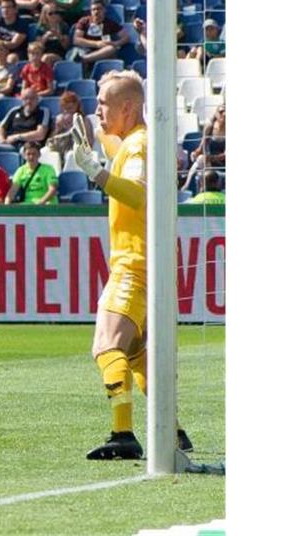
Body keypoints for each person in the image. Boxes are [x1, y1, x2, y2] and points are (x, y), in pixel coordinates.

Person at [67, 71, 193, 460]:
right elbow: (112, 142)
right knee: (137, 353)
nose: (97, 110)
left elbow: (137, 195)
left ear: (128, 108)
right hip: (148, 263)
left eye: (103, 104)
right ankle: (172, 432)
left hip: (133, 264)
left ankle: (123, 434)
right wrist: (93, 135)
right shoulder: (136, 141)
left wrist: (94, 171)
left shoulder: (139, 147)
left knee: (107, 346)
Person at [5, 141, 59, 205]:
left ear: (39, 155)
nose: (31, 157)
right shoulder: (21, 170)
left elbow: (52, 190)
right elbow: (12, 191)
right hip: (28, 205)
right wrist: (7, 204)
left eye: (34, 154)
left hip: (47, 204)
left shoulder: (48, 169)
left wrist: (41, 202)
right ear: (24, 155)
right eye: (28, 154)